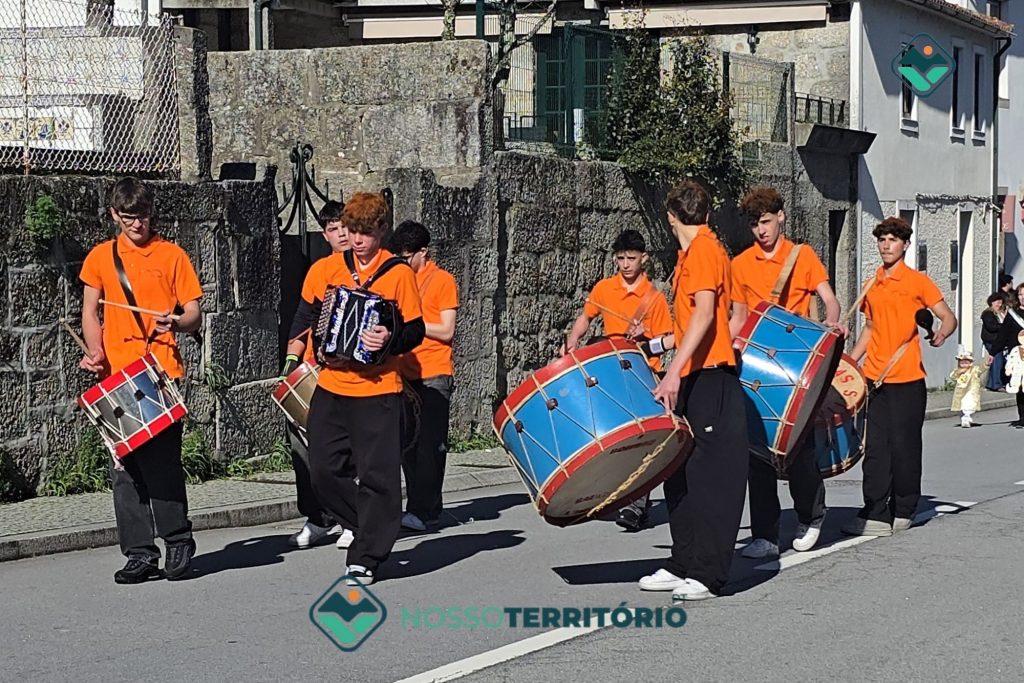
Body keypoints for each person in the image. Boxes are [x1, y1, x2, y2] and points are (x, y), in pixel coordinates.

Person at [295, 192, 425, 585]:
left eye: (365, 233)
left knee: (377, 477)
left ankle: (366, 556)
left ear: (381, 231)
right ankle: (374, 525)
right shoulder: (326, 269)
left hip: (378, 389)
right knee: (322, 470)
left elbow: (415, 330)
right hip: (332, 384)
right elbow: (306, 314)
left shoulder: (397, 273)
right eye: (352, 231)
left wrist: (388, 336)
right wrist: (300, 352)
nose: (356, 239)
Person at [79, 177, 203, 584]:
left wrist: (176, 321)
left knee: (161, 464)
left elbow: (193, 314)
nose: (138, 224)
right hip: (116, 375)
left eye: (144, 216)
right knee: (125, 468)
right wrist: (95, 353)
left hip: (158, 370)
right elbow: (90, 312)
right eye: (129, 217)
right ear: (114, 215)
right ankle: (139, 553)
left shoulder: (172, 255)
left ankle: (178, 540)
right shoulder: (100, 257)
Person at [639, 179, 748, 601]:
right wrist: (658, 346)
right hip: (693, 372)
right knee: (679, 471)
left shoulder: (704, 251)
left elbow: (705, 316)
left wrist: (672, 374)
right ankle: (682, 561)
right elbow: (722, 316)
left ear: (670, 217)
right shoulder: (695, 254)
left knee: (711, 479)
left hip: (710, 376)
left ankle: (708, 572)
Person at [729, 186, 843, 557]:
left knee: (799, 450)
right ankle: (764, 534)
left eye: (765, 221)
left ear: (780, 217)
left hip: (796, 364)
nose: (760, 230)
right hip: (755, 366)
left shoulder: (801, 255)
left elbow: (829, 299)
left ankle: (811, 515)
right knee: (756, 452)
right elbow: (739, 317)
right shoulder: (740, 264)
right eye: (754, 224)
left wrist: (831, 323)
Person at [842, 217, 957, 537]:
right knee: (875, 449)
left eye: (892, 240)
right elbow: (870, 328)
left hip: (907, 379)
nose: (886, 245)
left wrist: (942, 334)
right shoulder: (871, 284)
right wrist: (849, 362)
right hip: (875, 379)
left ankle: (904, 508)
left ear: (905, 245)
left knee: (904, 447)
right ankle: (875, 511)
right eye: (882, 240)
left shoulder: (918, 282)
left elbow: (948, 317)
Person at [562, 229, 674, 531]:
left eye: (631, 259)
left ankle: (636, 506)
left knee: (640, 440)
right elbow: (586, 317)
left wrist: (645, 337)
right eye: (621, 258)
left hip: (641, 373)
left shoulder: (653, 298)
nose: (625, 264)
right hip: (609, 371)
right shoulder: (604, 288)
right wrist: (574, 338)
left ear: (644, 259)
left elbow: (667, 340)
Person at [279, 201, 352, 550]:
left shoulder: (366, 265)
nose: (341, 234)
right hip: (314, 370)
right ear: (325, 235)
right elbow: (302, 319)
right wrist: (291, 362)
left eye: (345, 226)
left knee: (347, 448)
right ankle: (318, 517)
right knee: (302, 445)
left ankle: (351, 517)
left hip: (350, 373)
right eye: (333, 229)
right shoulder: (319, 270)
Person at [388, 220, 459, 533]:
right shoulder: (398, 280)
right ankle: (422, 506)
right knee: (407, 445)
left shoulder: (443, 281)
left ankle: (422, 509)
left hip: (434, 372)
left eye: (407, 257)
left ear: (423, 253)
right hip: (404, 372)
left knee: (430, 445)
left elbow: (446, 330)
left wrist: (414, 325)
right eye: (399, 257)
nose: (402, 263)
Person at [949, 346, 985, 428]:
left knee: (970, 405)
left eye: (966, 363)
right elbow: (952, 376)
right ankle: (964, 418)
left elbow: (981, 369)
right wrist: (959, 372)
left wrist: (986, 364)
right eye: (962, 363)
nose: (964, 365)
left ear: (970, 363)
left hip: (971, 391)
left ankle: (966, 417)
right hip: (961, 392)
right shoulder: (958, 371)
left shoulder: (974, 370)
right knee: (962, 406)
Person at [981, 292, 1009, 391]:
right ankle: (996, 384)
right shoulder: (988, 313)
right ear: (992, 302)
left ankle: (992, 383)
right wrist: (1004, 327)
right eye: (997, 302)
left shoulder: (1000, 313)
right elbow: (991, 327)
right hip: (991, 340)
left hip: (999, 341)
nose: (999, 305)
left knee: (997, 361)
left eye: (1001, 303)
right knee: (998, 360)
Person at [1003, 332, 1024, 428]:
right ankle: (1022, 418)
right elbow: (1010, 360)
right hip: (1017, 376)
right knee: (1020, 397)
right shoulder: (1016, 350)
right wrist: (1008, 369)